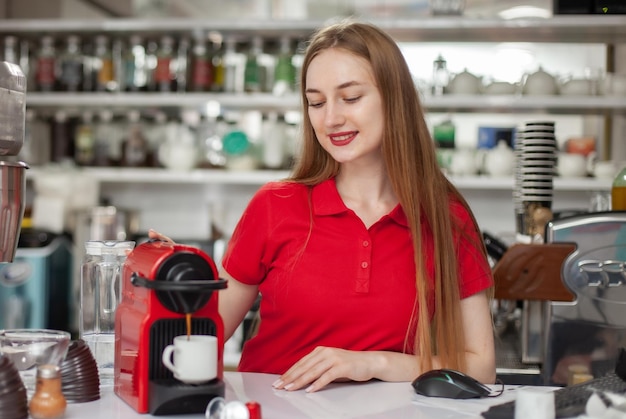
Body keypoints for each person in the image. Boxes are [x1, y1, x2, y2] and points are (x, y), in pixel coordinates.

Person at [151, 19, 495, 393]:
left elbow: (480, 368)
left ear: (395, 99)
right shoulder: (275, 205)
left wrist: (372, 362)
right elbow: (201, 336)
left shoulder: (446, 218)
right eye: (316, 102)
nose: (330, 118)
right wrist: (173, 286)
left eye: (350, 98)